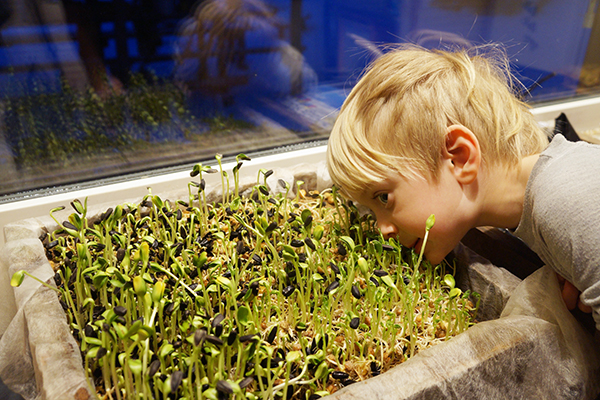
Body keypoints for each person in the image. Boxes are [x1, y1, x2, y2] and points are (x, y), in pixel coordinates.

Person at [326, 44, 600, 329]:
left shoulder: (567, 199)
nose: (383, 229)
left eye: (383, 198)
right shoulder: (544, 204)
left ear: (459, 157)